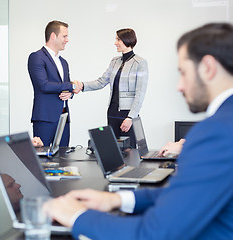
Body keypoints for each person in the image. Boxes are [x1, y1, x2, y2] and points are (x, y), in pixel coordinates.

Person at [44, 23, 233, 239]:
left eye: (183, 72)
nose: (179, 86)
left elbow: (153, 233)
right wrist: (118, 199)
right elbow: (183, 194)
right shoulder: (224, 125)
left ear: (208, 67)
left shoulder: (215, 132)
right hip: (113, 111)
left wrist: (77, 216)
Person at [72, 28, 148, 148]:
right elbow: (101, 82)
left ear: (127, 40)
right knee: (114, 149)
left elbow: (140, 93)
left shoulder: (140, 63)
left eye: (118, 39)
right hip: (112, 112)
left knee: (129, 151)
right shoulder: (115, 61)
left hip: (127, 114)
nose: (115, 43)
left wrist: (130, 117)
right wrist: (82, 85)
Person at [28, 20, 76, 147]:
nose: (67, 40)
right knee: (43, 160)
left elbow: (67, 88)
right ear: (53, 36)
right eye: (64, 36)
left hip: (64, 119)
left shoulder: (63, 62)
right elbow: (43, 85)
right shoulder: (37, 57)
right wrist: (72, 86)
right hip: (45, 118)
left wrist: (69, 93)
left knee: (64, 158)